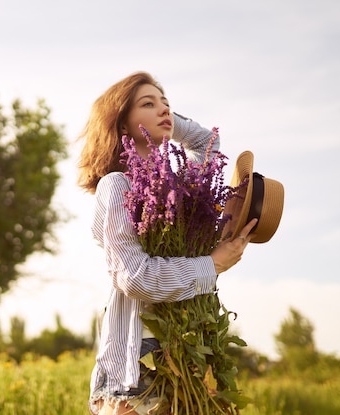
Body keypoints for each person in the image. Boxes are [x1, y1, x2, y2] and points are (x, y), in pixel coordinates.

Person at [77, 71, 258, 415]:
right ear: (123, 124)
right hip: (138, 361)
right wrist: (213, 264)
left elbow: (207, 142)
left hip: (190, 349)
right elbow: (135, 277)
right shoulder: (117, 186)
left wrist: (161, 117)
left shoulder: (182, 186)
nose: (164, 111)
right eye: (148, 104)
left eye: (167, 105)